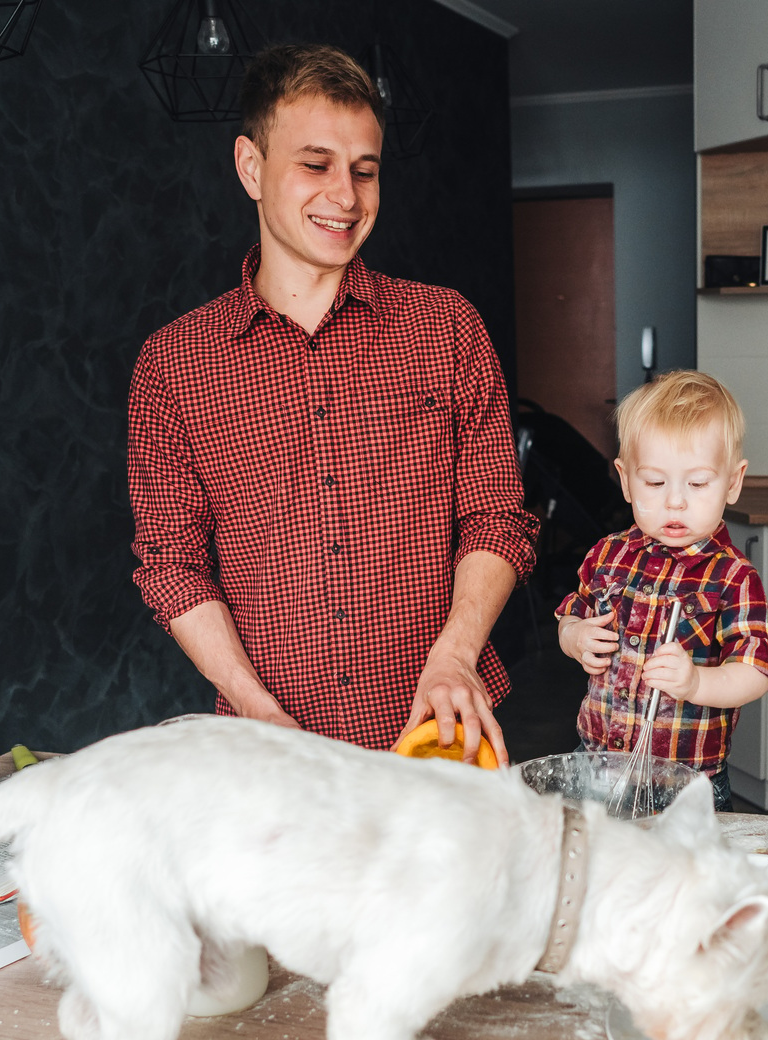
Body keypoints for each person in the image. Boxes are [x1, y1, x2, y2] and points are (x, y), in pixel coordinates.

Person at [127, 44, 539, 762]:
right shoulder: (174, 363)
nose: (345, 196)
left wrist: (457, 654)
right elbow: (171, 563)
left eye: (365, 170)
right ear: (251, 168)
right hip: (272, 749)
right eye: (315, 165)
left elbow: (496, 515)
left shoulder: (446, 327)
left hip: (439, 741)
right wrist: (256, 710)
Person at [555, 372, 768, 810]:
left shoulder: (734, 576)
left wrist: (696, 681)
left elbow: (757, 672)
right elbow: (570, 614)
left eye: (697, 484)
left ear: (732, 482)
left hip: (684, 787)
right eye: (654, 483)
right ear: (625, 479)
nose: (675, 501)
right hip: (596, 767)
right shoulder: (607, 554)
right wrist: (574, 637)